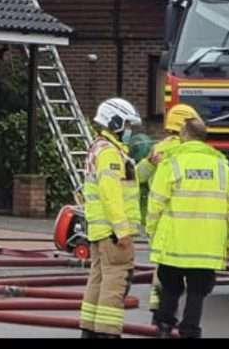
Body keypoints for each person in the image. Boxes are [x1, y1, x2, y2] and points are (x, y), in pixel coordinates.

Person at [145, 118, 229, 339]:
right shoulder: (221, 166)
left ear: (185, 135)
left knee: (170, 287)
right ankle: (190, 330)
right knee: (197, 291)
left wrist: (152, 231)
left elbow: (155, 202)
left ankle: (165, 327)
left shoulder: (172, 162)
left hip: (174, 244)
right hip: (207, 247)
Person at [79, 97, 143, 339]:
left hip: (100, 231)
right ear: (115, 122)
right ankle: (108, 333)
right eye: (126, 125)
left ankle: (90, 330)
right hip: (113, 233)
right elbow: (111, 193)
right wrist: (122, 230)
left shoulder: (101, 148)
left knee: (98, 279)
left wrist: (147, 164)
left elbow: (127, 181)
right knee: (115, 282)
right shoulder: (109, 154)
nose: (129, 131)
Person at [137, 104, 204, 322]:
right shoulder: (196, 154)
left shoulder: (158, 149)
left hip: (162, 217)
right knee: (188, 268)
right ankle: (175, 315)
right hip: (190, 218)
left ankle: (159, 311)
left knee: (163, 267)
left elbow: (139, 177)